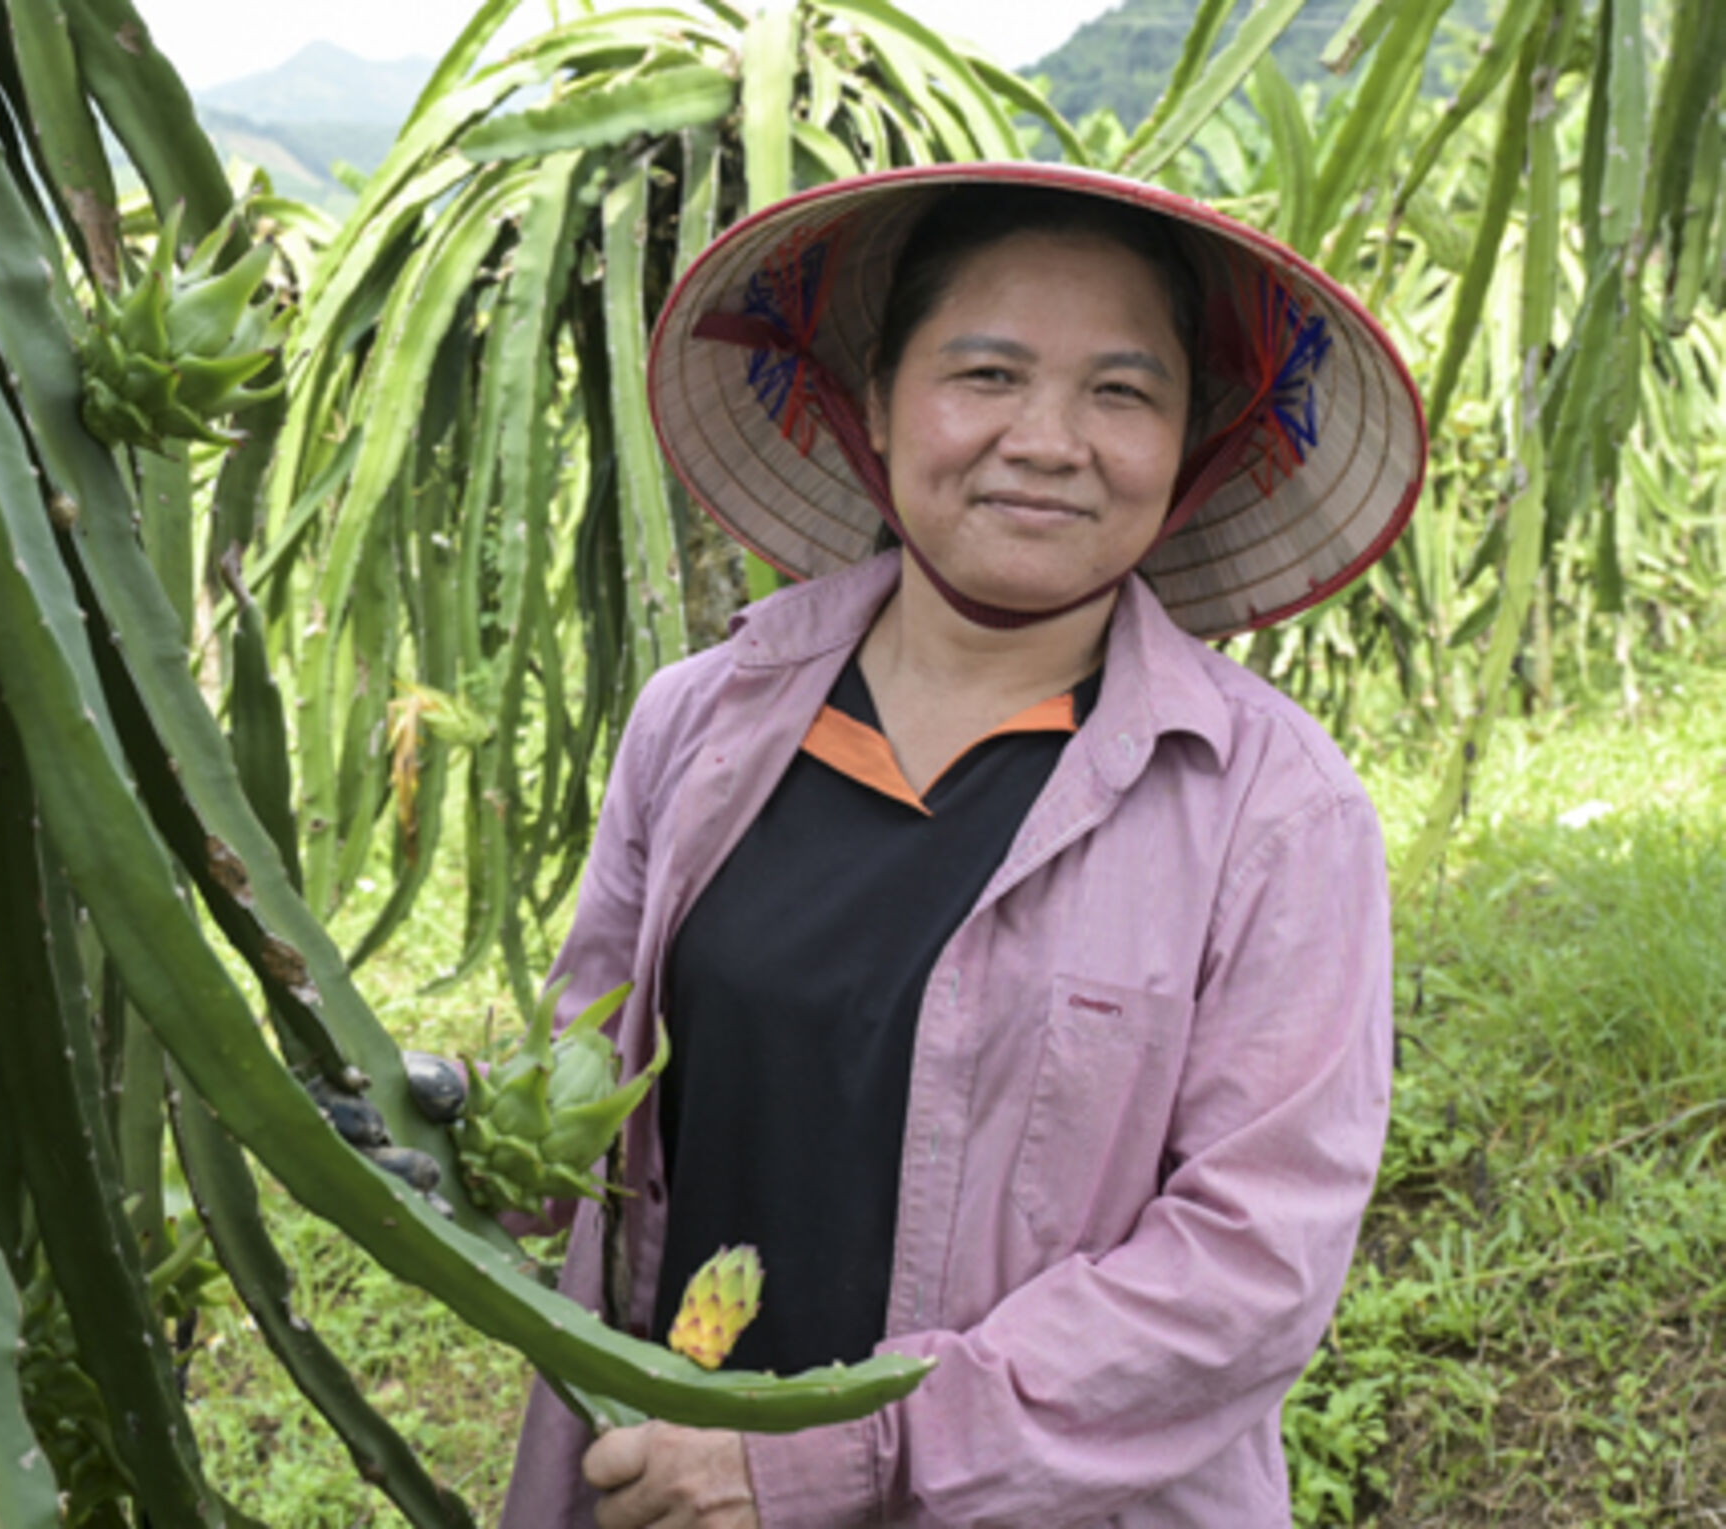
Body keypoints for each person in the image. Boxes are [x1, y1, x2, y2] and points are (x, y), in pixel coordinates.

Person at [496, 162, 1426, 1527]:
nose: (1049, 439)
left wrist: (817, 1457)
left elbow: (1250, 1268)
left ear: (1190, 444)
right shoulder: (699, 725)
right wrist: (452, 1125)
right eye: (985, 373)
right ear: (873, 403)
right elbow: (584, 1076)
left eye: (1123, 391)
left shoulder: (1273, 808)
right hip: (658, 1485)